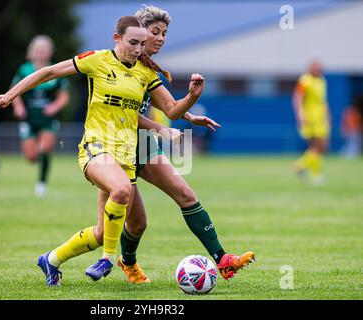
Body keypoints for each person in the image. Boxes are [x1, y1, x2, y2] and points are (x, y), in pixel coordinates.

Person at [45, 6, 255, 286]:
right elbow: (127, 113)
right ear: (137, 33)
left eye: (164, 33)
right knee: (124, 225)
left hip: (142, 145)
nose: (160, 38)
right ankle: (112, 261)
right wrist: (161, 126)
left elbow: (163, 106)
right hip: (113, 147)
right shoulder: (117, 62)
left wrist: (189, 111)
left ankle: (222, 259)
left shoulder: (146, 69)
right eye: (154, 32)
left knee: (184, 193)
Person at [0, 15, 205, 286]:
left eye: (141, 44)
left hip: (125, 156)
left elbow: (172, 109)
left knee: (105, 231)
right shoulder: (97, 60)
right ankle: (108, 260)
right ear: (117, 38)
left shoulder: (145, 73)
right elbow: (49, 72)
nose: (138, 49)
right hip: (95, 149)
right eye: (133, 42)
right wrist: (9, 95)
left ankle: (51, 260)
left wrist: (192, 97)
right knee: (123, 190)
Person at [11, 36, 71, 196]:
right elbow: (14, 91)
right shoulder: (24, 70)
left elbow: (64, 95)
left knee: (45, 148)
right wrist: (18, 106)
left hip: (48, 119)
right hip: (28, 118)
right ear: (32, 51)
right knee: (31, 157)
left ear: (50, 52)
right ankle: (38, 158)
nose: (41, 53)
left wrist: (55, 106)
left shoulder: (56, 69)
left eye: (44, 50)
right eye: (38, 50)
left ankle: (41, 184)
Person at [293, 60, 331, 185]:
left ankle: (301, 165)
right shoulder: (305, 80)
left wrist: (328, 116)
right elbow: (298, 98)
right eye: (316, 67)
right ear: (310, 68)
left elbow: (323, 101)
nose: (319, 69)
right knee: (316, 146)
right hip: (311, 118)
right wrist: (300, 114)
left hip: (320, 118)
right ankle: (315, 174)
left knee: (322, 147)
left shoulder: (322, 81)